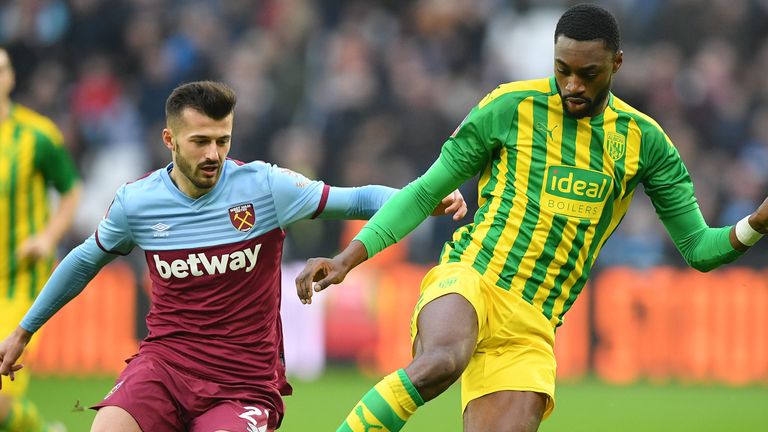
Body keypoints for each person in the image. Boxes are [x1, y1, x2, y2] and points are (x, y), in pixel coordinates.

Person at [295, 4, 768, 432]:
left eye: (588, 73)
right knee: (443, 359)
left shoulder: (646, 143)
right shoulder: (509, 107)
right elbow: (423, 193)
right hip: (471, 278)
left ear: (617, 65)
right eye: (562, 70)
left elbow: (699, 249)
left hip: (532, 327)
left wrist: (757, 224)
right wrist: (346, 259)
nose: (572, 85)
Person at [0, 80, 466, 432]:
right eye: (200, 141)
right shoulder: (136, 203)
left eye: (222, 140)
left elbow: (359, 199)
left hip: (244, 380)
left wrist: (426, 197)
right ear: (169, 140)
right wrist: (23, 331)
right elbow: (83, 262)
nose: (214, 154)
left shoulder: (265, 187)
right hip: (165, 365)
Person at [0, 48, 81, 432]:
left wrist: (48, 236)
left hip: (20, 280)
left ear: (12, 78)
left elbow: (70, 190)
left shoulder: (37, 135)